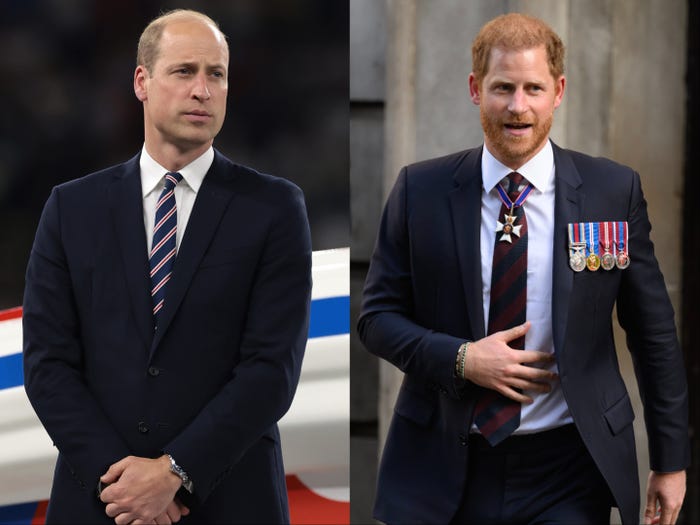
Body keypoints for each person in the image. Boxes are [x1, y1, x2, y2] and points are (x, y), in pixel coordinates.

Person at [358, 12, 689, 525]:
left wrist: (671, 461)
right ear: (475, 89)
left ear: (558, 91)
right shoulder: (419, 190)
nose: (518, 107)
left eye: (533, 88)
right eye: (503, 87)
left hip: (569, 469)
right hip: (445, 466)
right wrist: (463, 359)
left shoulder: (611, 191)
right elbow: (376, 319)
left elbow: (653, 333)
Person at [23, 9, 311, 524]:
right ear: (142, 81)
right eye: (184, 71)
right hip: (101, 503)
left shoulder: (275, 208)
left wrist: (175, 474)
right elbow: (48, 366)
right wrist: (125, 484)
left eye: (216, 74)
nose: (203, 90)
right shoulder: (71, 209)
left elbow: (272, 371)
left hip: (230, 501)